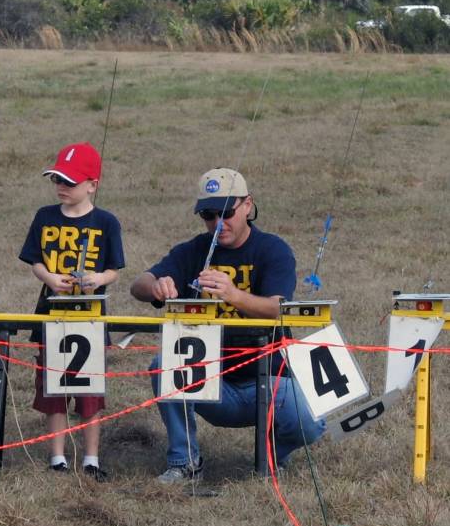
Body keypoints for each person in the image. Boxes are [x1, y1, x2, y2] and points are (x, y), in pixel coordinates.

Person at [129, 167, 325, 483]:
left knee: (311, 424)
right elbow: (138, 284)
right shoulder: (194, 251)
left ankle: (271, 453)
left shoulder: (273, 250)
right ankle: (184, 462)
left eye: (226, 213)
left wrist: (233, 294)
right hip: (211, 382)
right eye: (208, 215)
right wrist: (155, 286)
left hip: (268, 379)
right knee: (163, 363)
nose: (218, 223)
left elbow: (278, 308)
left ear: (248, 205)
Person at [18, 142, 124, 482]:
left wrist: (98, 279)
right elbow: (35, 260)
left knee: (90, 392)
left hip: (90, 318)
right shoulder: (44, 216)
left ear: (92, 185)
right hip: (51, 316)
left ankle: (91, 458)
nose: (61, 187)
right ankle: (57, 457)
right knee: (54, 388)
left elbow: (114, 270)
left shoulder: (106, 222)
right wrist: (50, 278)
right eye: (57, 180)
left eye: (70, 181)